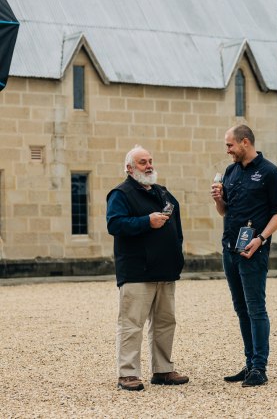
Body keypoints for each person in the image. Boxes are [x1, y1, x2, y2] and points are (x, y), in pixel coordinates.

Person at [211, 125, 277, 387]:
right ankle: (248, 363)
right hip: (230, 249)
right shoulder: (230, 172)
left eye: (230, 145)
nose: (227, 150)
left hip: (254, 250)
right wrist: (218, 200)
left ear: (245, 142)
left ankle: (259, 367)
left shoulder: (271, 173)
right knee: (241, 308)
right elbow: (225, 212)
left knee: (256, 308)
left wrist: (261, 239)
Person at [106, 145, 189, 391]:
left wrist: (177, 255)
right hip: (137, 271)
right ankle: (128, 374)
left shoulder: (163, 193)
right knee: (132, 323)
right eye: (143, 162)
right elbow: (115, 224)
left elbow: (177, 227)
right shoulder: (120, 194)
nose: (149, 165)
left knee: (166, 322)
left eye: (150, 161)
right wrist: (146, 221)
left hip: (165, 270)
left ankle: (163, 370)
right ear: (129, 168)